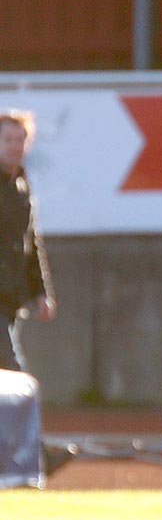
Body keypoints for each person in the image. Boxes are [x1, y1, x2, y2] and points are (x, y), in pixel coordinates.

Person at [0, 111, 74, 480]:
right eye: (7, 139)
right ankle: (38, 455)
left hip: (9, 303)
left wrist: (41, 292)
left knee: (8, 379)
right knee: (14, 376)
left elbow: (31, 244)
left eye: (19, 139)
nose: (15, 146)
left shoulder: (22, 187)